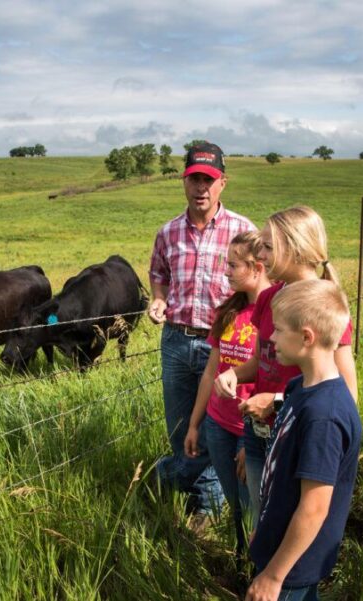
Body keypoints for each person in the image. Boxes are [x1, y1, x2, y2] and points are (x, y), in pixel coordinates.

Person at [214, 206, 357, 525]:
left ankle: (278, 575)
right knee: (261, 518)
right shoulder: (268, 298)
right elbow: (261, 361)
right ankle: (260, 570)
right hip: (259, 431)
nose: (259, 256)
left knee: (291, 519)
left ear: (293, 248)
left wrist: (276, 404)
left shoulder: (323, 305)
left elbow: (345, 390)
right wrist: (233, 374)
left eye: (267, 246)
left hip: (301, 435)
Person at [149, 141, 256, 517]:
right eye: (194, 179)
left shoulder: (244, 232)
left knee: (218, 429)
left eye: (208, 180)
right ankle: (176, 476)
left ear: (222, 183)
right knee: (182, 428)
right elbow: (159, 276)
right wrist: (159, 300)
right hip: (177, 340)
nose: (201, 188)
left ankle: (205, 509)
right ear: (184, 182)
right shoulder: (168, 232)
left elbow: (259, 288)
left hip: (226, 348)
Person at [245, 279, 362, 601]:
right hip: (284, 545)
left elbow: (313, 509)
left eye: (279, 330)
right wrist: (267, 529)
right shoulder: (300, 388)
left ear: (307, 337)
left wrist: (273, 576)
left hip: (292, 567)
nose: (270, 337)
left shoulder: (324, 416)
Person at [183, 230, 272, 554]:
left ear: (257, 267)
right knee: (234, 504)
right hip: (218, 424)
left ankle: (256, 569)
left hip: (252, 431)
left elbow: (276, 378)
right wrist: (195, 424)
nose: (226, 271)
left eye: (233, 265)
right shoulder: (228, 312)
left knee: (254, 508)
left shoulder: (276, 314)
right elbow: (212, 370)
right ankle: (239, 560)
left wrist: (256, 440)